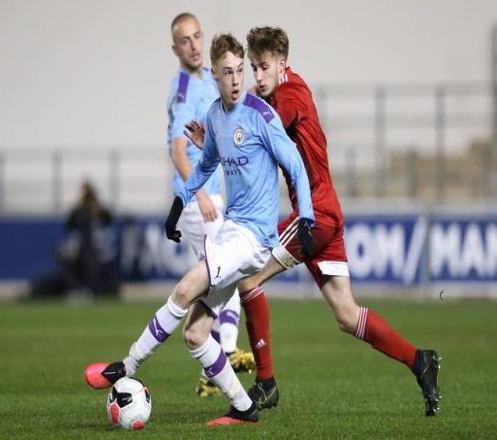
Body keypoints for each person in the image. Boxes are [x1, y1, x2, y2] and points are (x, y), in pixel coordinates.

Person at [85, 33, 315, 426]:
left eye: (240, 71)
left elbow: (294, 164)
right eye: (228, 72)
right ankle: (243, 407)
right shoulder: (214, 116)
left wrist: (305, 217)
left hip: (252, 238)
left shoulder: (261, 115)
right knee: (195, 333)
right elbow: (206, 165)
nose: (237, 80)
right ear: (215, 75)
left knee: (183, 289)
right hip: (231, 232)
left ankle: (126, 365)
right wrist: (178, 204)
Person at [235, 27, 440, 417]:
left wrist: (227, 124)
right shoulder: (280, 92)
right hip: (327, 212)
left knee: (247, 281)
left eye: (264, 67)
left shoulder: (290, 94)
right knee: (347, 315)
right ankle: (420, 360)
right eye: (253, 68)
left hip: (313, 215)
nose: (258, 76)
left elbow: (263, 129)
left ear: (282, 64)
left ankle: (266, 382)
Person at [166, 12, 254, 397]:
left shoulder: (208, 77)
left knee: (222, 277)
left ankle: (215, 363)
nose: (194, 45)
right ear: (175, 48)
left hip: (213, 196)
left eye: (197, 36)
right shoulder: (184, 89)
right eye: (185, 40)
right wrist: (200, 194)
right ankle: (224, 354)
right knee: (222, 274)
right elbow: (177, 149)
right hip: (197, 200)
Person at [29, 181, 118, 300]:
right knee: (63, 261)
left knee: (93, 271)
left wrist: (96, 208)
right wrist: (79, 205)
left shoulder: (99, 211)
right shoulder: (78, 211)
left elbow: (108, 220)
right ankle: (77, 290)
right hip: (80, 253)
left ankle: (87, 291)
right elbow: (69, 224)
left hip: (96, 255)